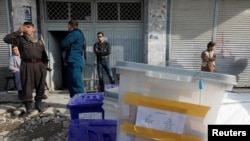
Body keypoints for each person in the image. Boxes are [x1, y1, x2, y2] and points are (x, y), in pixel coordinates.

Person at [3, 22, 49, 113]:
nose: (26, 28)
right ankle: (28, 105)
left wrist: (44, 66)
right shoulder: (20, 39)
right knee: (27, 85)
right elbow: (6, 39)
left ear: (33, 29)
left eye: (28, 27)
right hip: (27, 65)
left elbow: (44, 55)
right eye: (25, 27)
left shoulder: (39, 40)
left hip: (39, 65)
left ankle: (38, 103)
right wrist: (18, 31)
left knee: (40, 85)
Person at [61, 19, 86, 98]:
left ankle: (81, 102)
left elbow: (63, 43)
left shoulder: (75, 33)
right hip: (73, 61)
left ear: (69, 26)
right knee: (72, 83)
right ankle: (74, 101)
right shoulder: (79, 33)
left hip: (74, 61)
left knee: (76, 83)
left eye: (68, 26)